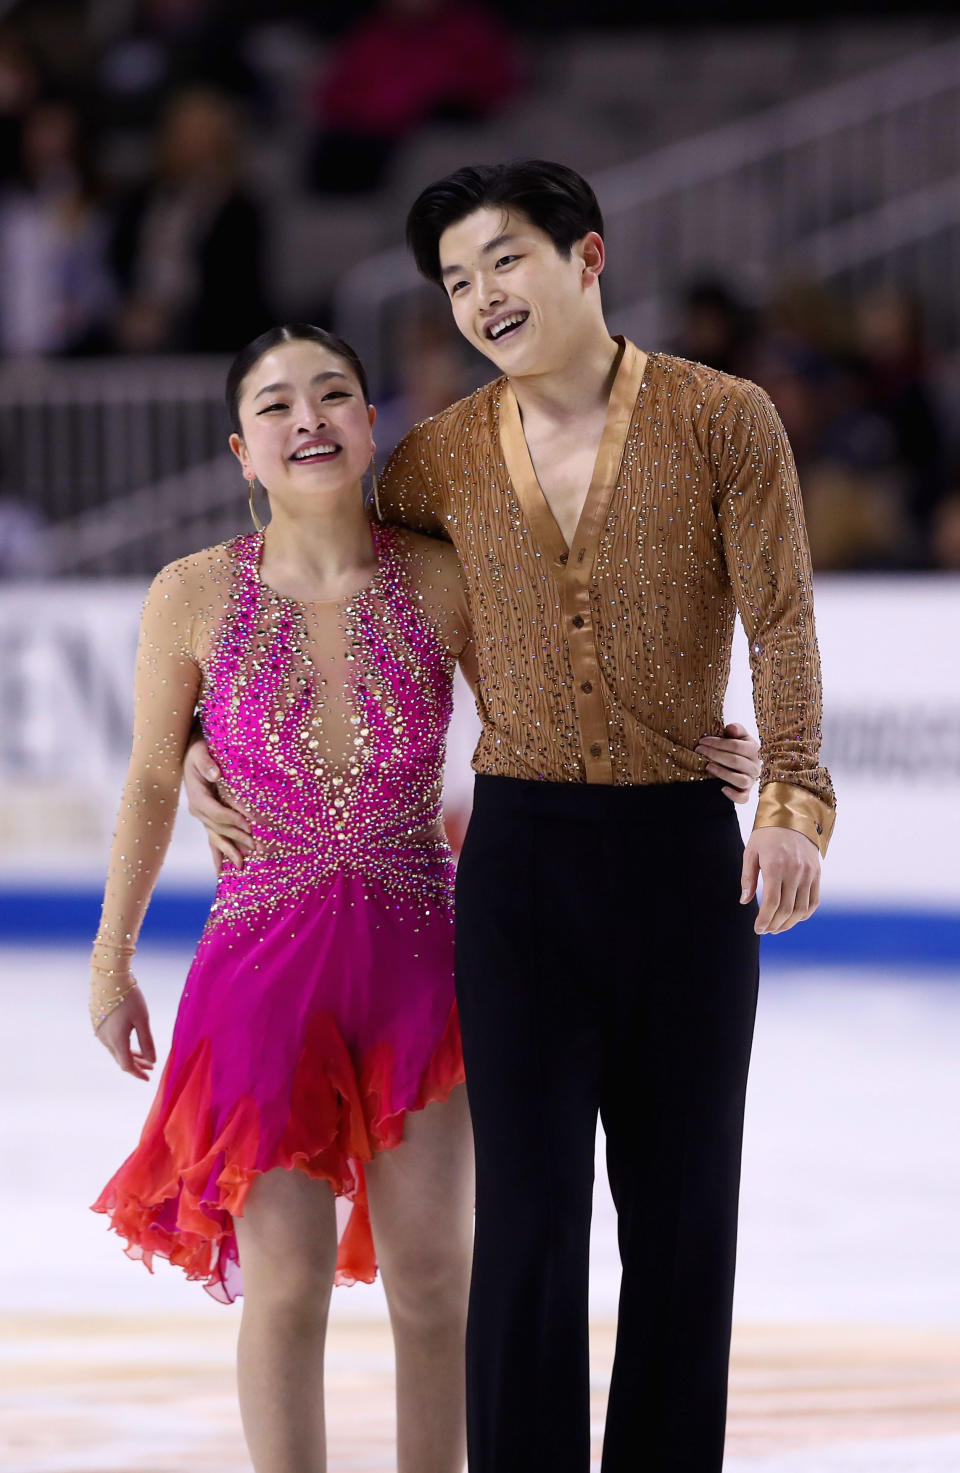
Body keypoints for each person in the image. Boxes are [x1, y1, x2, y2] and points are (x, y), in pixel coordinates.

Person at [182, 160, 817, 1473]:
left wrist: (794, 793)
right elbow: (324, 580)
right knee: (527, 1224)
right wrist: (204, 735)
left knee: (685, 1216)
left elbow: (783, 617)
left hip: (684, 860)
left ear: (586, 257)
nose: (482, 296)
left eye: (504, 261)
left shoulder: (725, 420)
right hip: (522, 868)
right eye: (458, 281)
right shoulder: (435, 464)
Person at [90, 324, 480, 1473]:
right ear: (241, 451)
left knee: (430, 1279)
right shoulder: (194, 593)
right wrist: (113, 958)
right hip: (261, 973)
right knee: (291, 1285)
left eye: (334, 394)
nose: (307, 417)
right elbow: (157, 775)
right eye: (277, 406)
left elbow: (528, 741)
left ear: (370, 425)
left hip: (421, 968)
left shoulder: (443, 576)